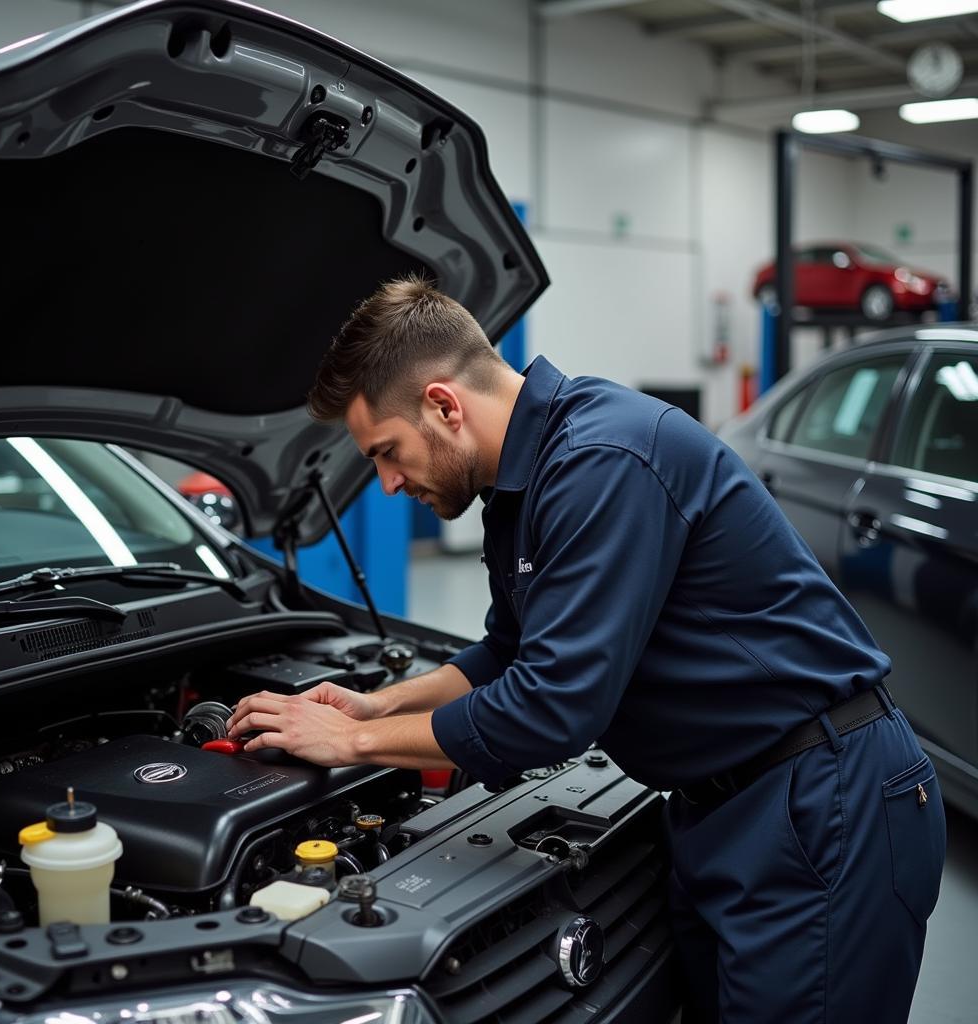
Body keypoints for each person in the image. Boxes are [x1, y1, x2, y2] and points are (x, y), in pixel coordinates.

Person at [227, 275, 946, 1023]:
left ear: (443, 405)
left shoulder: (604, 458)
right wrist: (378, 702)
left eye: (386, 451)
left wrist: (354, 741)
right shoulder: (519, 488)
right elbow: (507, 653)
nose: (384, 483)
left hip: (822, 798)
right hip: (722, 809)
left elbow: (550, 709)